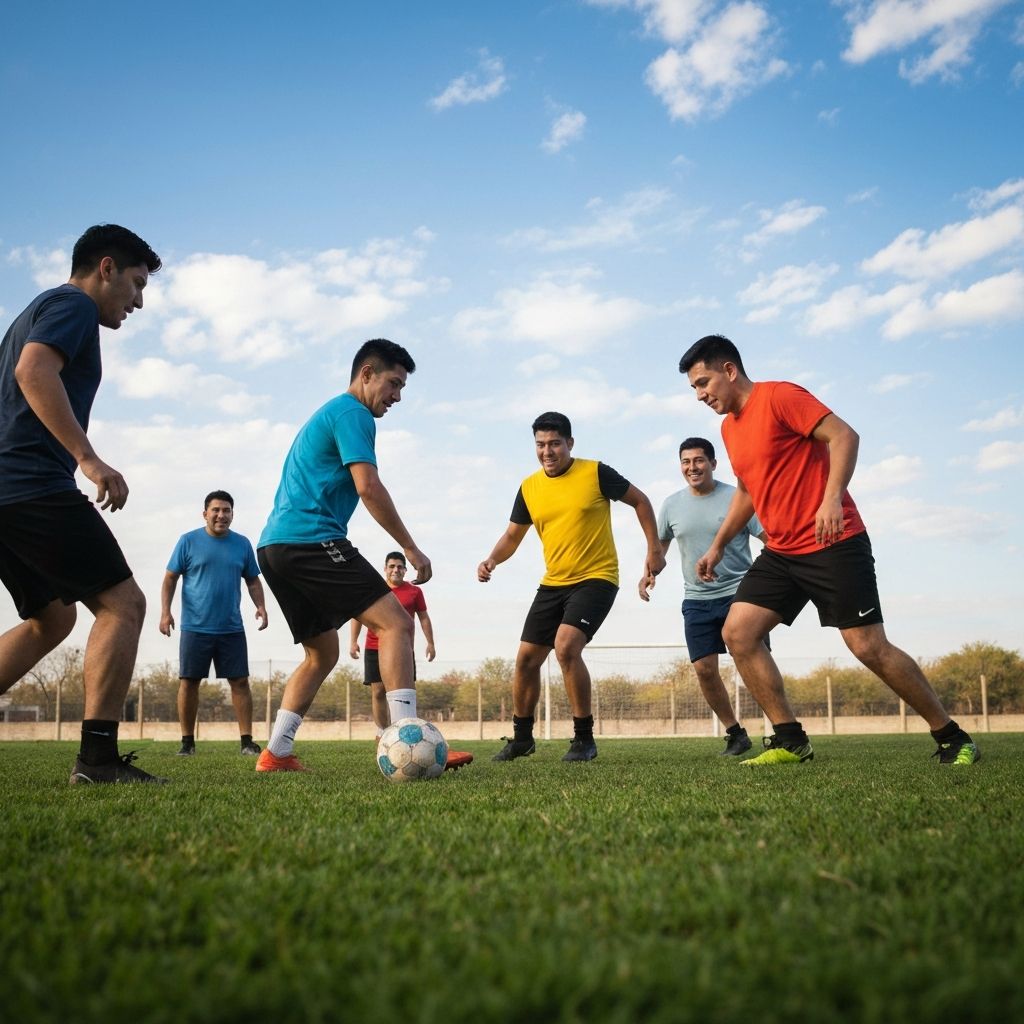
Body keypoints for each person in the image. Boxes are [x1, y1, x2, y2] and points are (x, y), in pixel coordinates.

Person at [678, 334, 979, 766]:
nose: (701, 394)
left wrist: (832, 498)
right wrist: (718, 545)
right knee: (738, 633)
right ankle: (790, 739)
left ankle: (953, 736)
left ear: (729, 370)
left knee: (868, 646)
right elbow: (747, 491)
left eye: (704, 382)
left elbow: (844, 435)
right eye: (694, 388)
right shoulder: (729, 429)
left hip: (832, 543)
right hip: (782, 552)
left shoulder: (780, 397)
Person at [254, 338, 472, 772]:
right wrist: (410, 546)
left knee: (322, 654)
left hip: (273, 548)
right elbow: (367, 486)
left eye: (402, 388)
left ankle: (275, 752)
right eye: (393, 384)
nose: (396, 397)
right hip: (311, 538)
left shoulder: (332, 412)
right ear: (366, 374)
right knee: (395, 622)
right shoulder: (353, 412)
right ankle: (413, 742)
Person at [0, 224, 165, 784]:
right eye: (137, 284)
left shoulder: (37, 309)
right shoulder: (71, 304)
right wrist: (89, 459)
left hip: (6, 490)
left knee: (52, 618)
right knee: (124, 604)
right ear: (106, 268)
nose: (138, 301)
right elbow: (33, 371)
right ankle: (97, 761)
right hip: (31, 482)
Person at [478, 411, 666, 762]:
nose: (547, 451)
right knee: (525, 661)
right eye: (540, 444)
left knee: (565, 647)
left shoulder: (595, 473)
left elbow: (641, 501)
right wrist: (491, 560)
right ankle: (522, 739)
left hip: (597, 578)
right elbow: (512, 535)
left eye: (554, 444)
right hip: (553, 584)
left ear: (569, 444)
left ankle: (583, 738)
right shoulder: (530, 487)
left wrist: (654, 548)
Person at [640, 437, 764, 756]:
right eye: (685, 462)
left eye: (698, 461)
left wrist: (765, 579)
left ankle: (783, 729)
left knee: (753, 664)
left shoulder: (737, 498)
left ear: (713, 463)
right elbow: (660, 547)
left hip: (741, 595)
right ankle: (735, 733)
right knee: (704, 669)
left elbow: (769, 537)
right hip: (696, 599)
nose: (691, 467)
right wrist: (649, 573)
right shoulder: (671, 504)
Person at [159, 490, 268, 756]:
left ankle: (246, 742)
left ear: (232, 514)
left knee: (240, 682)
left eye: (227, 510)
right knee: (189, 682)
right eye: (216, 510)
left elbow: (253, 579)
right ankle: (187, 743)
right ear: (205, 513)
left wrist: (261, 606)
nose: (221, 515)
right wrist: (165, 612)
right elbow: (170, 578)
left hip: (231, 627)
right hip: (195, 628)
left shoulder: (242, 544)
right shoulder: (188, 541)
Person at [350, 551, 436, 739]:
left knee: (404, 690)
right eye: (391, 566)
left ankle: (405, 734)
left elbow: (424, 618)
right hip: (374, 646)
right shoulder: (375, 589)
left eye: (399, 566)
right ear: (385, 569)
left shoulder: (414, 591)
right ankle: (382, 733)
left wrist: (430, 643)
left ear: (405, 570)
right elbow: (358, 615)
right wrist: (353, 641)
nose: (395, 570)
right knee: (379, 691)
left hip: (403, 649)